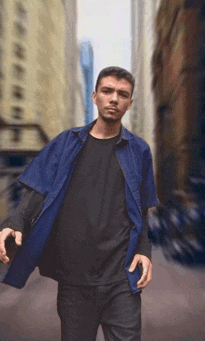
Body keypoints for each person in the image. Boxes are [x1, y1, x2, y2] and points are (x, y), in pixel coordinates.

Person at [0, 66, 159, 341]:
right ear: (95, 96)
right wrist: (15, 222)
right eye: (107, 91)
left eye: (122, 94)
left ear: (130, 103)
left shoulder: (139, 150)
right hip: (74, 280)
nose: (114, 99)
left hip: (121, 278)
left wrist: (144, 249)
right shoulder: (66, 143)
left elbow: (141, 209)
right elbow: (37, 192)